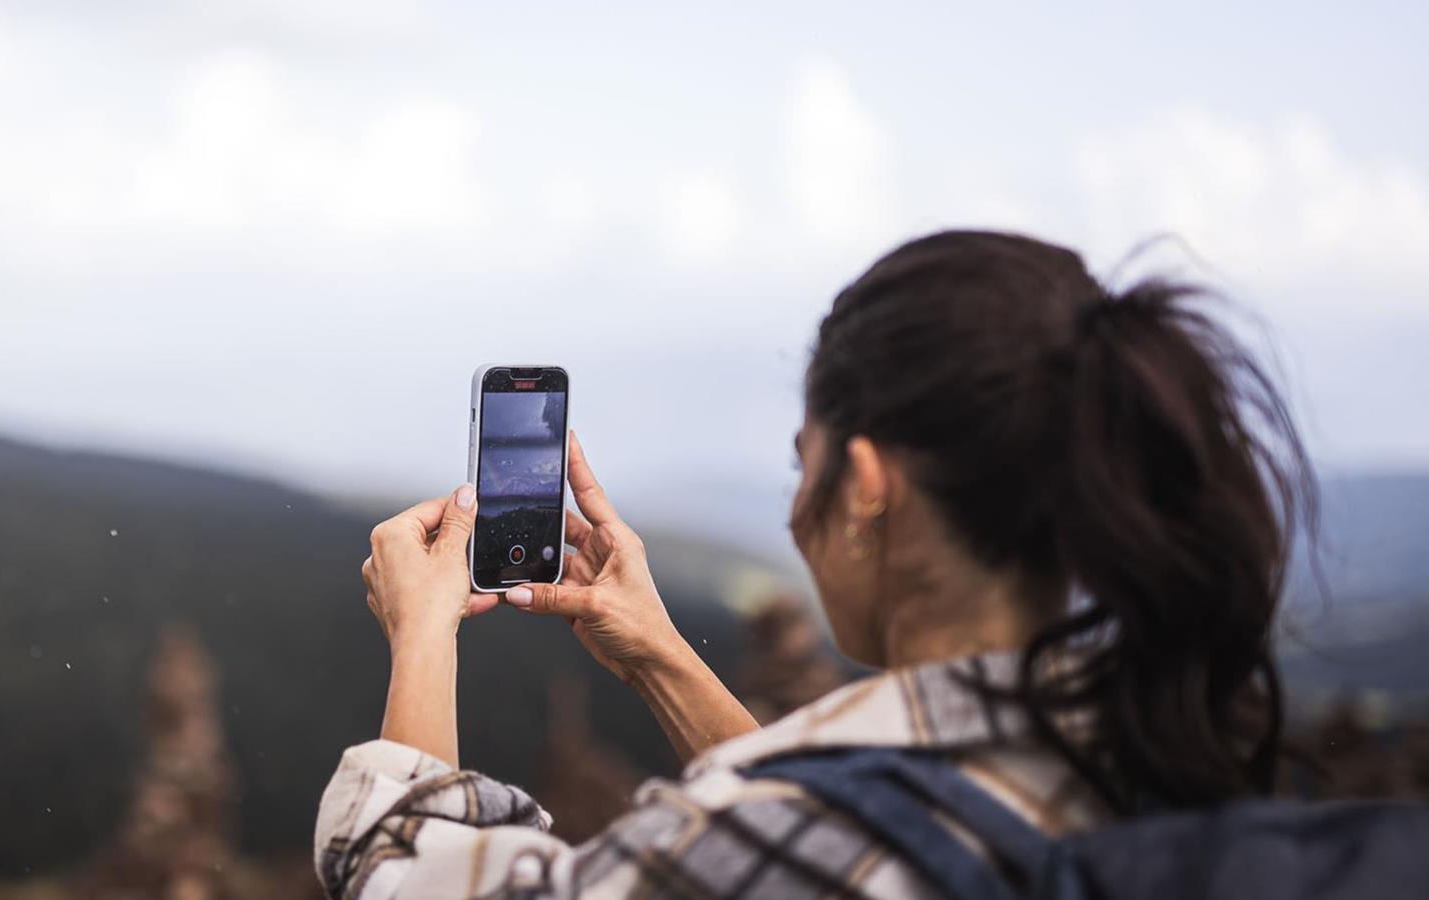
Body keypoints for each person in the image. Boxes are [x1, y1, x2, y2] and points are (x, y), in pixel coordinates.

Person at [315, 230, 1314, 899]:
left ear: (865, 487)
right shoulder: (1160, 758)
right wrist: (660, 653)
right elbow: (857, 801)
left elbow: (399, 869)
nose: (796, 512)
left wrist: (422, 632)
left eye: (806, 466)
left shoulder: (743, 850)